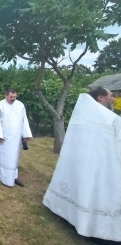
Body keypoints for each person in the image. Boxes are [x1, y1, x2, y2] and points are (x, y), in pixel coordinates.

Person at [43, 88, 121, 241]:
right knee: (93, 195)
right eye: (111, 96)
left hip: (82, 164)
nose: (113, 99)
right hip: (99, 167)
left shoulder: (81, 115)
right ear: (100, 98)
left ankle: (69, 214)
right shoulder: (112, 119)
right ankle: (96, 229)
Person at [0, 88, 32, 187]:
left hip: (16, 137)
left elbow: (24, 120)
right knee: (3, 156)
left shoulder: (20, 105)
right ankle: (1, 176)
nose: (13, 99)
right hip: (3, 137)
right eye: (11, 97)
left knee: (13, 157)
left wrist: (25, 134)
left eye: (14, 97)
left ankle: (13, 176)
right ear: (6, 96)